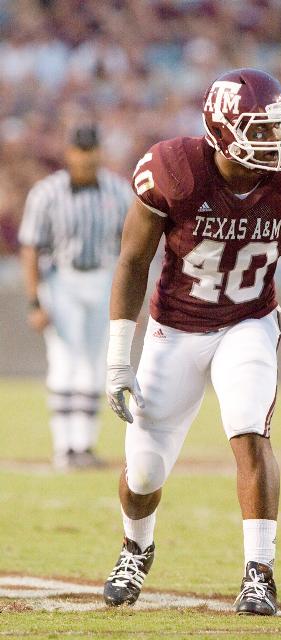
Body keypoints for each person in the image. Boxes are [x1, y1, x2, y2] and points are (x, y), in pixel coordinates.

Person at [103, 68, 281, 615]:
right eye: (260, 131)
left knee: (249, 431)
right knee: (144, 470)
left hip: (248, 322)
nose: (275, 142)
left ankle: (259, 573)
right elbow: (132, 261)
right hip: (174, 327)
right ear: (221, 130)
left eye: (278, 128)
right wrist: (119, 357)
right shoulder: (175, 170)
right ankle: (135, 547)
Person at [19, 125, 133, 470]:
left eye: (91, 149)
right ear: (69, 153)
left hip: (102, 278)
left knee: (94, 361)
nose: (86, 156)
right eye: (81, 149)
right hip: (61, 280)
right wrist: (34, 300)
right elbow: (30, 247)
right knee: (64, 359)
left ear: (99, 151)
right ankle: (63, 446)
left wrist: (131, 299)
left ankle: (82, 445)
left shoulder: (118, 190)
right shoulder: (47, 193)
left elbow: (132, 249)